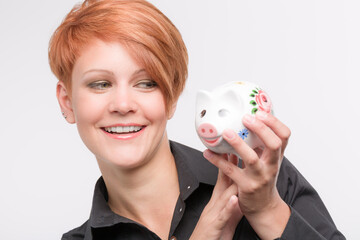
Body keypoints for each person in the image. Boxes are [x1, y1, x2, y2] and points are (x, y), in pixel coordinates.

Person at [48, 0, 345, 239]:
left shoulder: (262, 176)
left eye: (146, 83)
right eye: (100, 84)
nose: (123, 105)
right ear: (67, 101)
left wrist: (267, 210)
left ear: (172, 96)